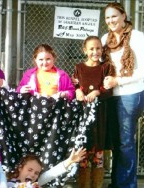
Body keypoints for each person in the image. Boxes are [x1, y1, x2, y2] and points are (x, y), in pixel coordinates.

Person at [101, 2, 144, 187]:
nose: (111, 20)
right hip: (110, 95)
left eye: (114, 16)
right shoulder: (105, 39)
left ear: (123, 15)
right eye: (107, 17)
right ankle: (118, 181)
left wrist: (118, 81)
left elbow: (142, 71)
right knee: (116, 141)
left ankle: (127, 185)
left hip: (130, 94)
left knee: (125, 142)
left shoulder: (137, 37)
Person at [72, 36, 115, 188]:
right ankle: (83, 184)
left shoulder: (106, 67)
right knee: (84, 149)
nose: (95, 52)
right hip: (83, 116)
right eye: (91, 49)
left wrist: (97, 92)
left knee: (98, 150)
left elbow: (109, 90)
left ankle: (97, 184)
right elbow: (74, 85)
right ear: (85, 50)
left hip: (100, 115)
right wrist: (77, 91)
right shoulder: (79, 68)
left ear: (102, 49)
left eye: (98, 48)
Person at [7, 148, 86, 188]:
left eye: (36, 173)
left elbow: (51, 174)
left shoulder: (35, 184)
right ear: (20, 168)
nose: (32, 174)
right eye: (29, 170)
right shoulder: (7, 184)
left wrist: (69, 161)